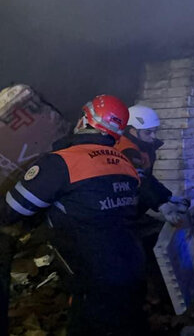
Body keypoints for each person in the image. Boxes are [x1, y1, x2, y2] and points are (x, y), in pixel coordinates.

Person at [0, 95, 182, 335]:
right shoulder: (124, 163)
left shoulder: (61, 162)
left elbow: (13, 210)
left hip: (93, 276)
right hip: (133, 267)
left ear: (85, 120)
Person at [115, 104, 188, 226]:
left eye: (155, 131)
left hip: (129, 210)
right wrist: (161, 205)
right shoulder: (126, 151)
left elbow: (147, 178)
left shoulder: (143, 147)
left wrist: (167, 197)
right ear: (132, 131)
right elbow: (138, 181)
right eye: (148, 132)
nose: (153, 137)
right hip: (117, 212)